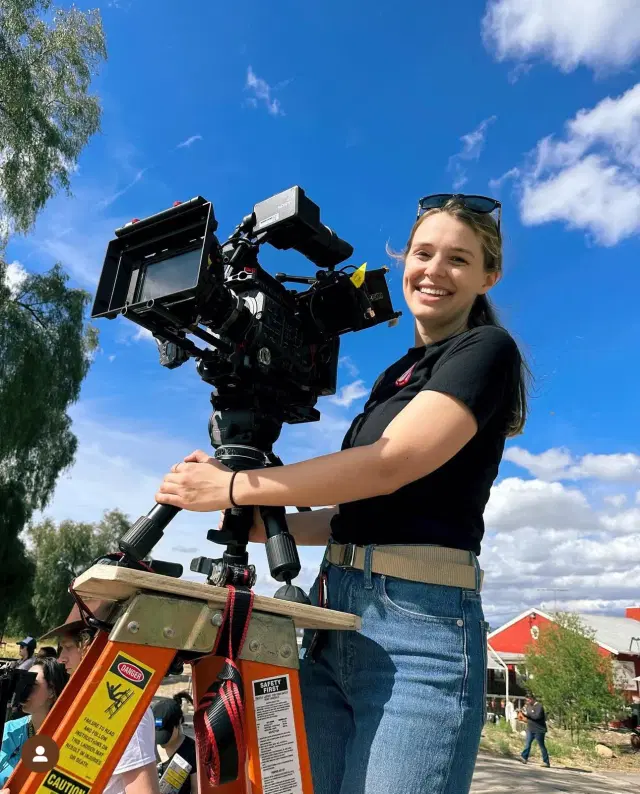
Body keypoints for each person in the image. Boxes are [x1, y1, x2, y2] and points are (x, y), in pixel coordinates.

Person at [154, 193, 528, 794]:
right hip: (335, 619)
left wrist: (231, 484)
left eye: (458, 259)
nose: (434, 270)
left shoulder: (485, 351)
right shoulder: (396, 376)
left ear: (489, 276)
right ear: (404, 260)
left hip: (421, 632)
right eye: (423, 252)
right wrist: (253, 520)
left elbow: (388, 465)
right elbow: (354, 514)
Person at [40, 601, 161, 794]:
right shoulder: (83, 702)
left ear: (90, 646)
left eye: (68, 647)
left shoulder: (124, 709)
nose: (61, 659)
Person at [0, 657, 68, 785]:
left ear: (52, 691)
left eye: (32, 685)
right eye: (23, 683)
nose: (24, 691)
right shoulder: (8, 730)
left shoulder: (65, 739)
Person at [153, 693, 197, 794]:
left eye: (166, 733)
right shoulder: (148, 745)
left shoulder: (192, 750)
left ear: (179, 722)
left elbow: (196, 789)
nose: (160, 742)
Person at [520, 695, 550, 767]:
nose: (527, 702)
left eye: (528, 700)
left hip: (539, 730)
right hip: (530, 729)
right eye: (526, 700)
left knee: (541, 745)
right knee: (528, 743)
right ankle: (524, 757)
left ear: (532, 699)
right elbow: (528, 716)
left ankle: (546, 762)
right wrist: (523, 714)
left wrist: (528, 715)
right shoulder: (528, 706)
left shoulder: (539, 706)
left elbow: (536, 717)